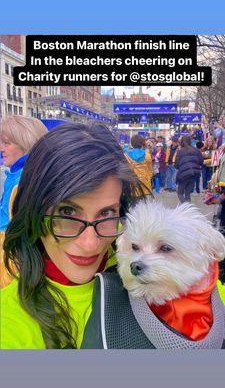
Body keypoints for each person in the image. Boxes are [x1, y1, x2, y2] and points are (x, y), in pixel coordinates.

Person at [1, 122, 145, 349]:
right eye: (66, 212)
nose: (90, 244)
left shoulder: (160, 270)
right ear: (34, 211)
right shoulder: (8, 321)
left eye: (107, 213)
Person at [0, 115, 48, 232]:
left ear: (26, 144)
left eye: (7, 143)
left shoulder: (22, 181)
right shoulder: (23, 174)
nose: (1, 148)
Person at [175, 135, 203, 203]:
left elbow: (177, 165)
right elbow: (201, 162)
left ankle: (186, 207)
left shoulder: (180, 151)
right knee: (187, 193)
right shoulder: (197, 150)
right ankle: (188, 209)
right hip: (194, 174)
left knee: (180, 193)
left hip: (183, 175)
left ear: (181, 142)